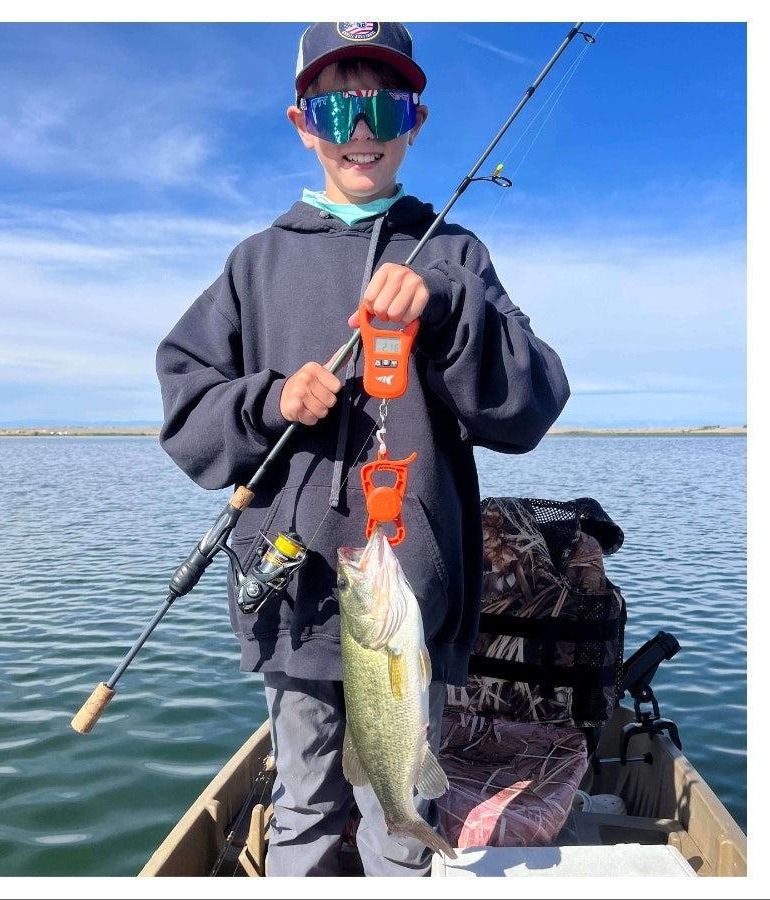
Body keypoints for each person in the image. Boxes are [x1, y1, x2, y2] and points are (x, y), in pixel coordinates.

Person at [155, 22, 569, 876]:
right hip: (295, 599)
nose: (362, 129)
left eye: (384, 104)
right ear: (303, 121)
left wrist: (451, 305)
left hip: (411, 607)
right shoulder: (255, 263)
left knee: (396, 813)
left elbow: (532, 405)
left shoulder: (455, 252)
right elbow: (186, 408)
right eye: (338, 106)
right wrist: (269, 400)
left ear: (415, 121)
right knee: (303, 805)